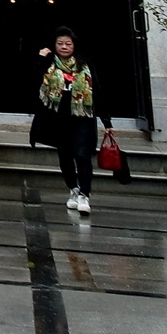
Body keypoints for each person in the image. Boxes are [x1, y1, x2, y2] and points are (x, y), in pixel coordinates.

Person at [36, 27, 99, 215]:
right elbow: (32, 79)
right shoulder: (49, 64)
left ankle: (84, 194)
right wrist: (40, 58)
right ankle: (73, 189)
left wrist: (108, 122)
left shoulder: (85, 64)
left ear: (74, 45)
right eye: (60, 43)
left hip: (81, 117)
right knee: (65, 155)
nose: (64, 47)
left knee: (82, 155)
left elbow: (98, 92)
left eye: (68, 43)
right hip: (58, 118)